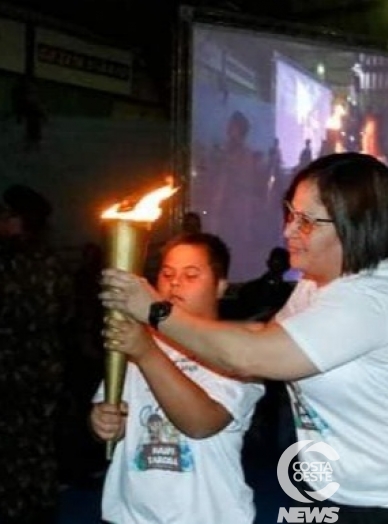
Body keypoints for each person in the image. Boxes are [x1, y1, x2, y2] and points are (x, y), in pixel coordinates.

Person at [100, 152, 388, 522]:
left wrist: (156, 312)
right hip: (334, 492)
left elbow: (252, 356)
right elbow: (263, 334)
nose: (287, 231)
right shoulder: (316, 284)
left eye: (305, 221)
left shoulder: (370, 299)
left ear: (354, 224)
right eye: (290, 213)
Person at [91, 232, 264, 524]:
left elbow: (201, 423)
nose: (174, 283)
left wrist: (146, 353)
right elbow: (110, 419)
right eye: (167, 273)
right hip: (130, 516)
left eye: (191, 275)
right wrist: (103, 422)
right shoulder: (135, 342)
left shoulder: (234, 349)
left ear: (221, 286)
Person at [0, 184, 72, 524]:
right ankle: (44, 513)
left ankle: (17, 515)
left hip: (4, 373)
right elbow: (67, 314)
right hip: (46, 370)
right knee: (42, 447)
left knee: (7, 454)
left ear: (17, 220)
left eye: (2, 213)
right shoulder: (55, 263)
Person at [235, 246, 294, 321]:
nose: (277, 265)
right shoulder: (248, 289)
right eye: (276, 262)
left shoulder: (289, 293)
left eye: (280, 262)